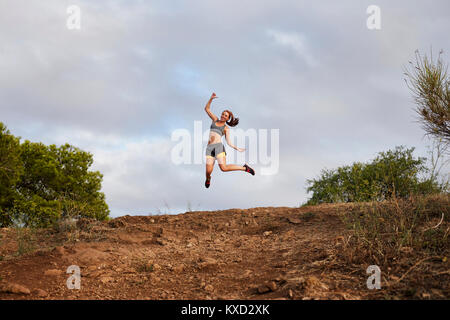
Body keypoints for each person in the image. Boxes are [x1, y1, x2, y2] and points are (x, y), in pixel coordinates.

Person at [204, 92, 255, 188]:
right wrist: (211, 99)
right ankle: (208, 178)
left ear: (228, 118)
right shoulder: (215, 119)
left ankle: (244, 168)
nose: (223, 116)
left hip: (218, 147)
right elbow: (206, 109)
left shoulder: (226, 128)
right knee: (208, 171)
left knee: (223, 168)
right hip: (209, 149)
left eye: (225, 115)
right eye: (223, 114)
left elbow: (228, 142)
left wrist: (237, 148)